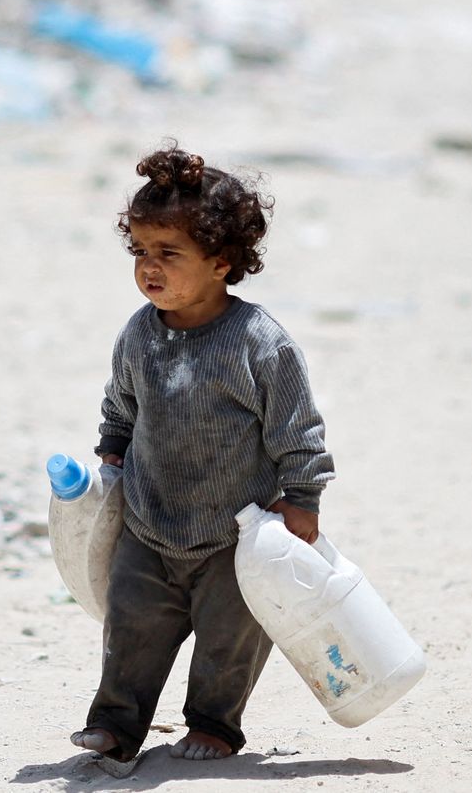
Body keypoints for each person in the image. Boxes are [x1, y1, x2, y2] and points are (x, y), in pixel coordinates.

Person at [69, 146, 334, 769]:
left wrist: (302, 499)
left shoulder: (259, 344)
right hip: (149, 522)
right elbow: (121, 406)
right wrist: (111, 453)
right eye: (139, 252)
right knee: (131, 629)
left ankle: (214, 724)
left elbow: (298, 429)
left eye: (168, 254)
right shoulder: (139, 332)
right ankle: (115, 726)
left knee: (229, 640)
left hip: (237, 535)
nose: (148, 269)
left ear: (221, 263)